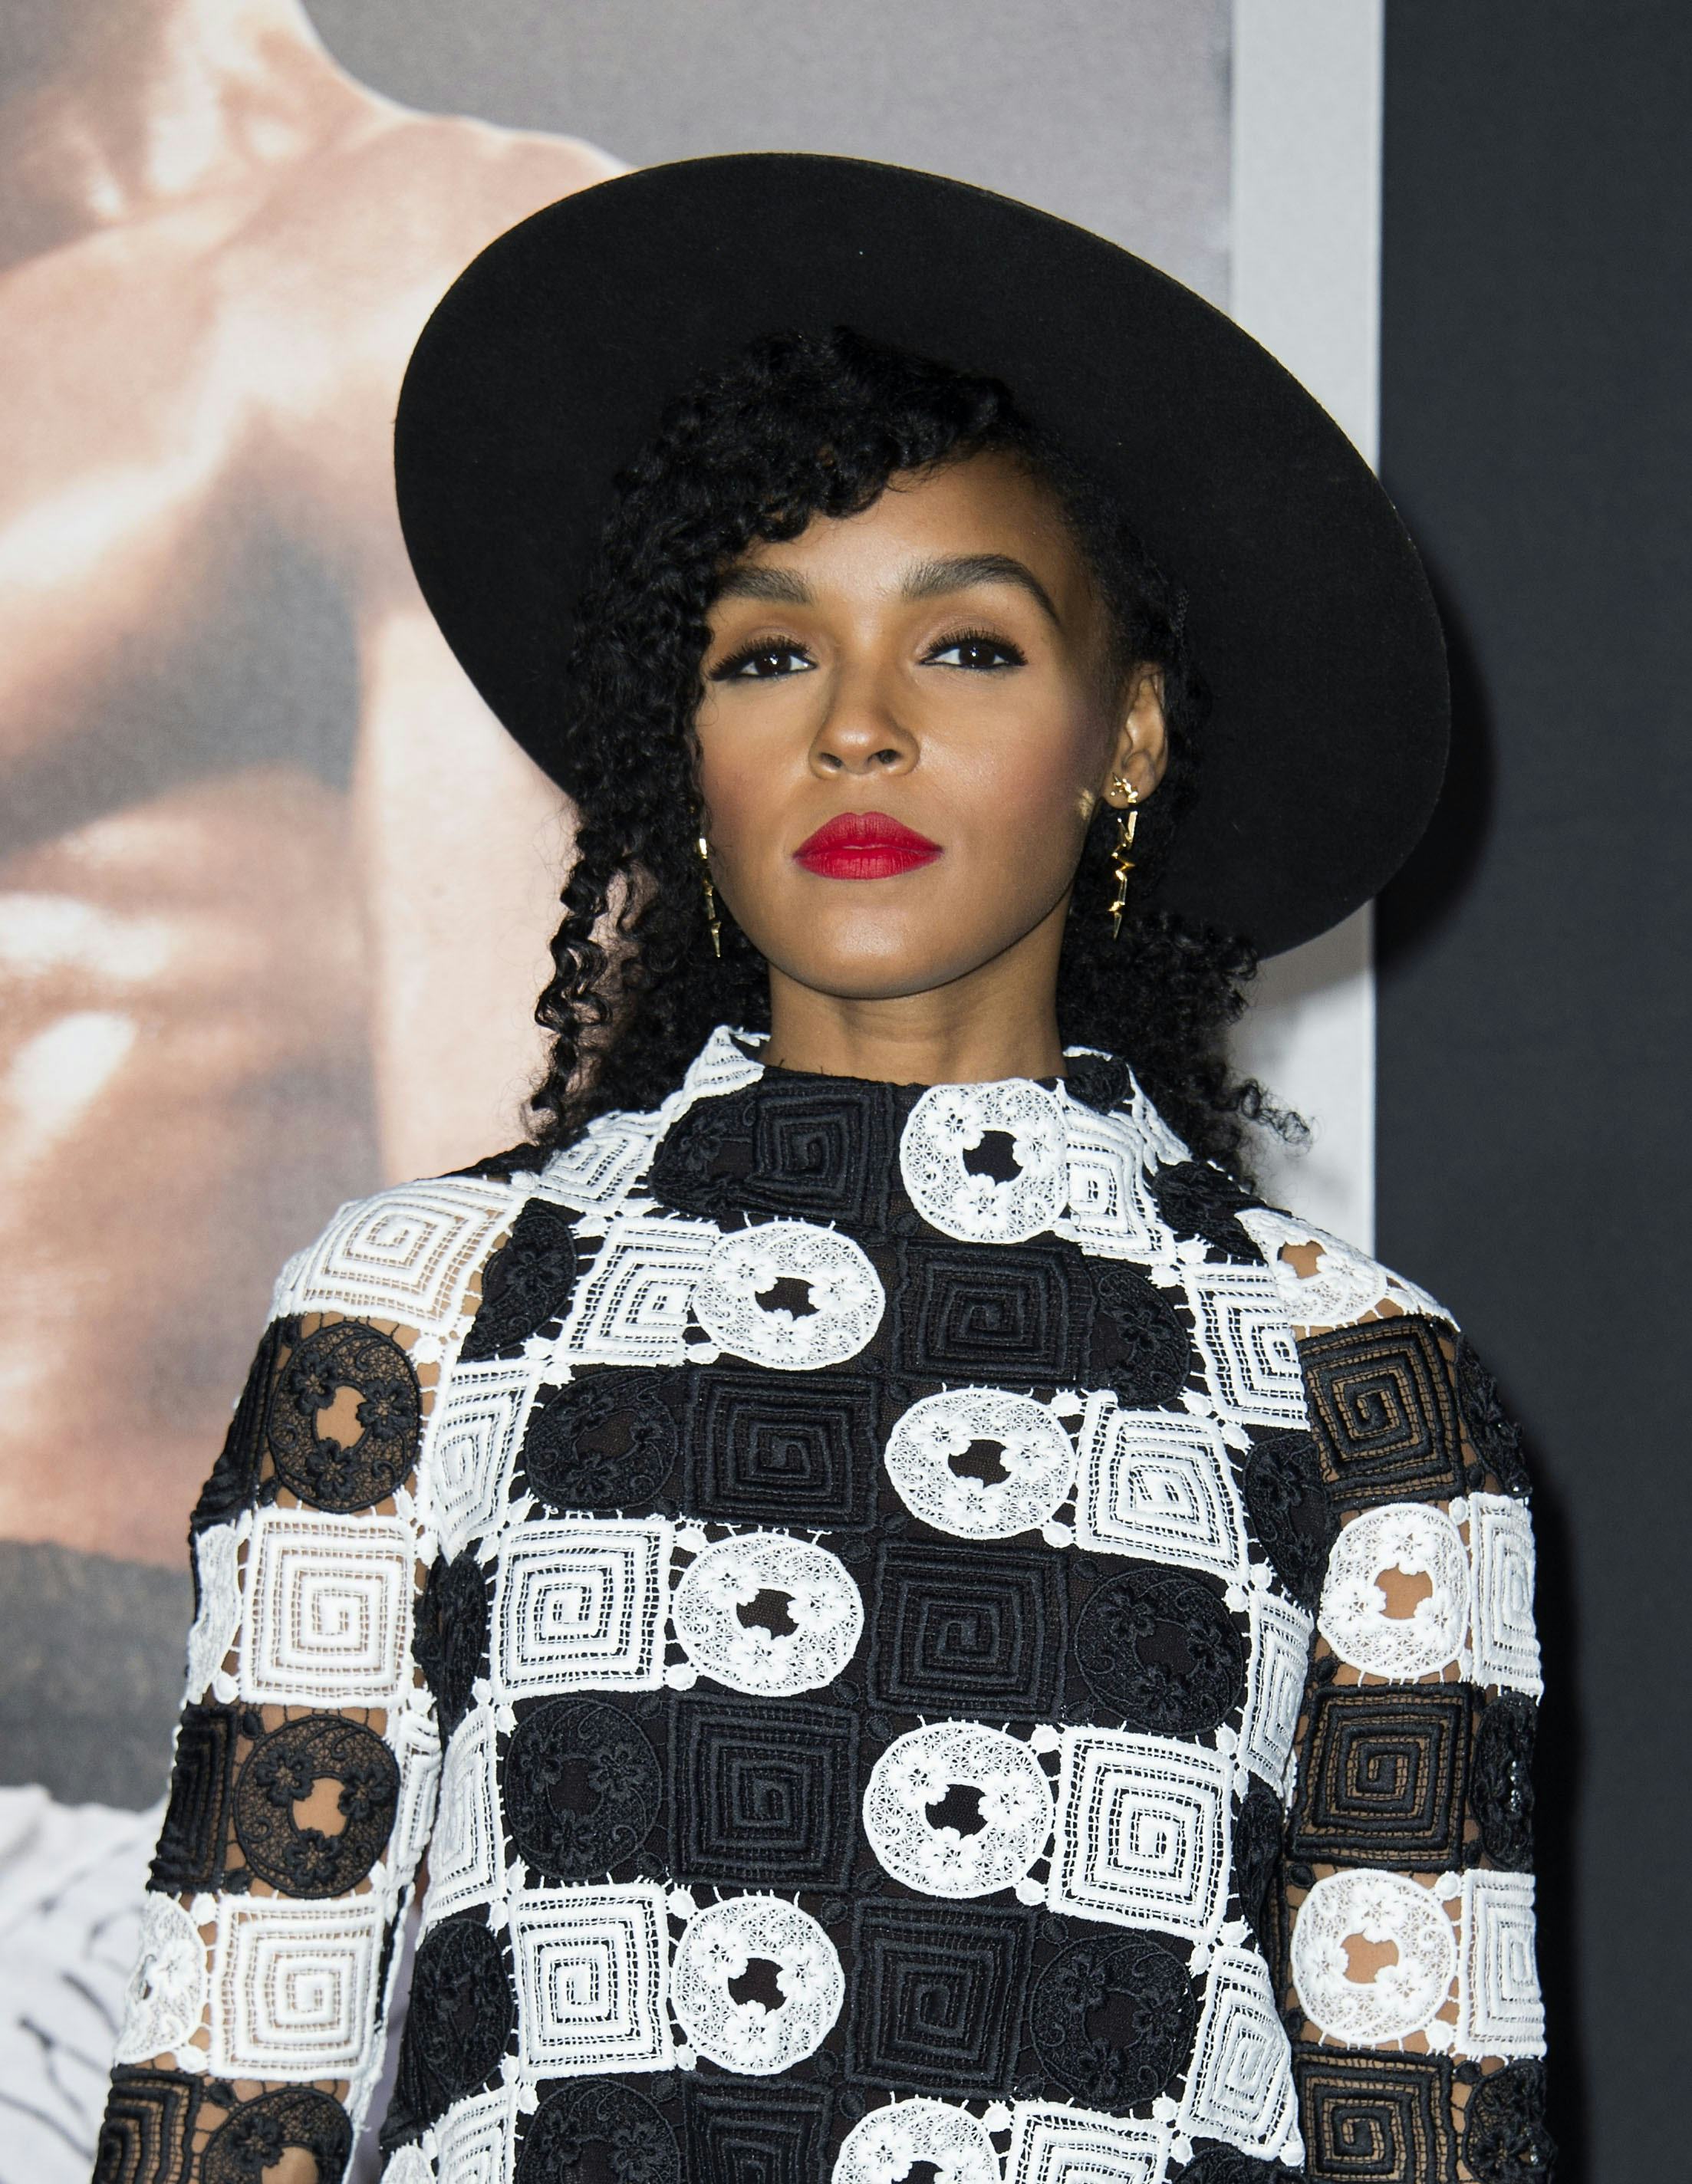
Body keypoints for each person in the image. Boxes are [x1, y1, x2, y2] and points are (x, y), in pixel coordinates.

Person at [92, 157, 1553, 2184]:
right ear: (683, 744)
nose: (858, 729)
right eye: (768, 656)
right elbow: (232, 2071)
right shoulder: (422, 1315)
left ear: (1127, 734)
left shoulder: (1356, 1385)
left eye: (969, 649)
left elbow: (1438, 2106)